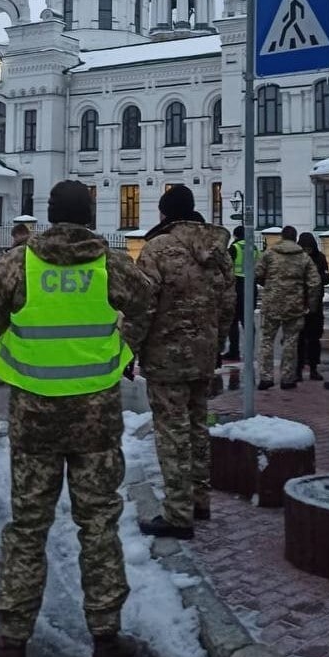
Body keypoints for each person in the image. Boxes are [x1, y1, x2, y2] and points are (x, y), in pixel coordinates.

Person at [0, 180, 152, 657]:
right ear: (90, 216)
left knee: (28, 529)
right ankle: (107, 640)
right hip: (96, 418)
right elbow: (145, 305)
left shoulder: (18, 264)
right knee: (98, 526)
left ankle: (11, 643)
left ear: (50, 216)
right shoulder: (111, 265)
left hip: (34, 419)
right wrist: (124, 348)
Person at [136, 184, 234, 538]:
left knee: (171, 433)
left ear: (165, 214)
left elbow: (142, 306)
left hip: (166, 360)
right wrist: (217, 343)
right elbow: (227, 306)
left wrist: (130, 349)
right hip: (204, 356)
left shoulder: (157, 249)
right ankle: (200, 500)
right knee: (197, 428)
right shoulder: (217, 250)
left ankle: (178, 514)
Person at [254, 226, 322, 390]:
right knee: (291, 342)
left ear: (282, 237)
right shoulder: (303, 257)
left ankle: (266, 377)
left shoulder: (270, 254)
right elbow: (315, 282)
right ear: (295, 238)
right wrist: (311, 305)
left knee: (267, 341)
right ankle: (287, 378)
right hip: (294, 305)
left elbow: (257, 273)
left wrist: (268, 285)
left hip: (271, 303)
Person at [296, 231, 329, 381]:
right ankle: (297, 369)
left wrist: (318, 278)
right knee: (299, 338)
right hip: (298, 303)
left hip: (315, 303)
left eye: (309, 248)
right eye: (304, 248)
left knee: (314, 337)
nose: (307, 251)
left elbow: (326, 276)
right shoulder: (296, 258)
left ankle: (314, 368)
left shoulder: (320, 258)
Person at [224, 224, 257, 361]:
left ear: (236, 236)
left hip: (237, 285)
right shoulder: (254, 248)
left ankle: (234, 351)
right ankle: (249, 350)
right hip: (251, 285)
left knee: (233, 321)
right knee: (248, 321)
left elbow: (226, 266)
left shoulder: (234, 247)